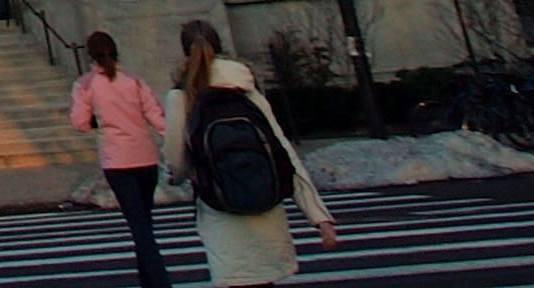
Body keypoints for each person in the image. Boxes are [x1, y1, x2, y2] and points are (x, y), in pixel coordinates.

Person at [164, 19, 337, 286]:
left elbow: (177, 163)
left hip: (221, 208)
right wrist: (318, 216)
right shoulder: (246, 89)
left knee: (237, 279)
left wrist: (178, 177)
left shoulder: (181, 96)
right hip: (264, 203)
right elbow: (283, 150)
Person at [72, 30, 171, 288]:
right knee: (144, 222)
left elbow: (80, 123)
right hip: (145, 156)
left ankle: (158, 281)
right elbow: (158, 118)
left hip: (117, 160)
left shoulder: (86, 84)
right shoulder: (134, 81)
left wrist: (97, 120)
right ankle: (148, 280)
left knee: (138, 226)